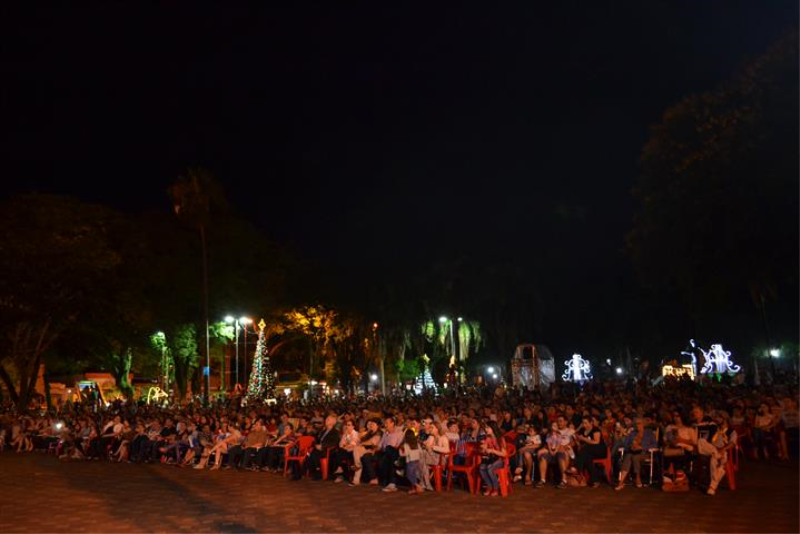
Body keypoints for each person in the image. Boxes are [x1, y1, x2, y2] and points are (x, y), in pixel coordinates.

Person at [615, 417, 657, 490]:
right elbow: (625, 444)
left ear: (643, 424)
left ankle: (637, 477)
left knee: (633, 457)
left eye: (639, 423)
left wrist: (642, 447)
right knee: (628, 456)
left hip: (644, 453)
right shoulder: (633, 433)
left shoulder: (649, 432)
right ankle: (621, 483)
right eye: (636, 424)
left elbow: (654, 445)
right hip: (632, 452)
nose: (637, 425)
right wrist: (630, 446)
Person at [572, 416, 607, 487]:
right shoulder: (582, 430)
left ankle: (576, 468)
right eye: (583, 423)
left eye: (586, 423)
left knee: (586, 448)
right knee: (587, 458)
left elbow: (596, 442)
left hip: (599, 450)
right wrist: (579, 428)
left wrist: (584, 439)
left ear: (591, 423)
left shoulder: (595, 429)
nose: (584, 425)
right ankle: (595, 480)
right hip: (588, 452)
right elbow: (573, 434)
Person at [477, 422, 507, 496]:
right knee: (481, 467)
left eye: (488, 428)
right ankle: (489, 486)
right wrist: (484, 450)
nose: (486, 429)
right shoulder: (488, 438)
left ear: (493, 428)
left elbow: (504, 454)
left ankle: (495, 488)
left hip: (501, 460)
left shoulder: (500, 438)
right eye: (485, 428)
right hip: (492, 459)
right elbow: (485, 450)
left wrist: (493, 451)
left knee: (489, 468)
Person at [400, 428, 424, 494]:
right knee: (413, 475)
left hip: (410, 461)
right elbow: (421, 452)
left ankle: (417, 486)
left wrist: (400, 452)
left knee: (409, 475)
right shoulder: (417, 443)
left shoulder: (406, 445)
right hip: (417, 461)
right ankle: (414, 489)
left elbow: (405, 454)